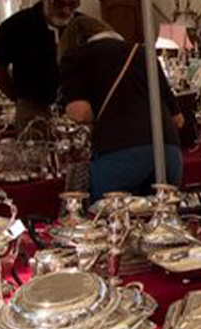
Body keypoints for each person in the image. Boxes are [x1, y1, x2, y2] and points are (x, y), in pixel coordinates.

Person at [58, 15, 185, 199]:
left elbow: (81, 113)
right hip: (167, 150)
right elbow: (178, 119)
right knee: (161, 214)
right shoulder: (142, 52)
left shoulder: (74, 57)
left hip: (119, 151)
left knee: (110, 214)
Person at [0, 0, 82, 129]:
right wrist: (18, 97)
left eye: (72, 4)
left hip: (76, 108)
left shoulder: (82, 25)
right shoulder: (17, 26)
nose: (66, 10)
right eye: (58, 4)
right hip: (33, 110)